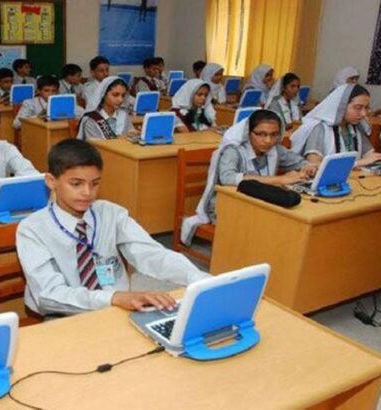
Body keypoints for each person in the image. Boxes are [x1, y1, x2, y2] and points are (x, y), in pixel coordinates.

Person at [16, 139, 210, 317]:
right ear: (51, 181)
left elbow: (152, 254)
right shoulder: (32, 229)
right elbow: (49, 295)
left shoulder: (111, 213)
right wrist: (114, 298)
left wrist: (198, 277)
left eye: (95, 184)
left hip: (119, 308)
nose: (87, 193)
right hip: (64, 315)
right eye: (76, 184)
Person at [180, 110, 316, 246]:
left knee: (292, 218)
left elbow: (300, 162)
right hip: (224, 206)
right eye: (261, 134)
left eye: (274, 134)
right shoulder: (233, 150)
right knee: (282, 222)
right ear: (248, 132)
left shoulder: (275, 149)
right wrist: (279, 179)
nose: (268, 140)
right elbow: (228, 178)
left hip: (259, 202)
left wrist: (308, 168)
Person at [290, 84, 381, 167]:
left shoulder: (356, 127)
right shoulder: (320, 128)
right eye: (358, 108)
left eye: (366, 108)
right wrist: (357, 163)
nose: (364, 114)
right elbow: (314, 164)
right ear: (341, 106)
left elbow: (369, 155)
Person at [77, 76, 132, 141]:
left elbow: (130, 134)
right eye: (115, 95)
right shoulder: (91, 119)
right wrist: (122, 138)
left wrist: (134, 135)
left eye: (123, 95)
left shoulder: (123, 114)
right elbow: (96, 145)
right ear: (103, 94)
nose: (120, 99)